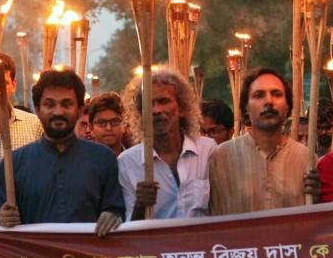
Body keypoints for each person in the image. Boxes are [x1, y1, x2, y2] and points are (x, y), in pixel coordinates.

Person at [0, 69, 124, 237]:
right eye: (50, 104)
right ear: (38, 109)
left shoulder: (103, 158)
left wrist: (114, 215)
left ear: (79, 109)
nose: (58, 112)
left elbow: (118, 211)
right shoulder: (13, 164)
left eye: (66, 104)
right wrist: (3, 221)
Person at [209, 68, 320, 215]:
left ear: (287, 107)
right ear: (246, 108)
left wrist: (318, 198)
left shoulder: (307, 159)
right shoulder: (222, 156)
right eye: (259, 95)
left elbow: (312, 220)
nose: (269, 101)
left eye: (277, 94)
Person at [119, 68, 215, 221]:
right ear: (141, 114)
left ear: (182, 108)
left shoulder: (208, 151)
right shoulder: (128, 163)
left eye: (164, 101)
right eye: (149, 104)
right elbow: (130, 231)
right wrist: (140, 205)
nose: (157, 110)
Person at [89, 92, 126, 156]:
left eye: (115, 122)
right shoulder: (82, 163)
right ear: (91, 128)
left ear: (124, 124)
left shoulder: (135, 162)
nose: (108, 128)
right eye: (101, 123)